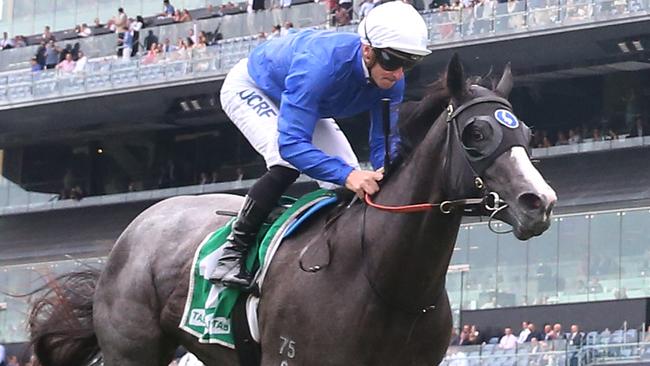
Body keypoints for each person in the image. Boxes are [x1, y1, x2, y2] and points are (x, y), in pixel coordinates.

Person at [212, 1, 430, 288]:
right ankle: (230, 254)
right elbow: (291, 144)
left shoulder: (393, 80)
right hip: (255, 87)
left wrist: (387, 174)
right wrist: (349, 176)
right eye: (392, 61)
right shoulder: (320, 66)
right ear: (368, 50)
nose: (399, 73)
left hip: (303, 101)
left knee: (350, 179)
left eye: (409, 63)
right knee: (288, 160)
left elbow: (384, 145)